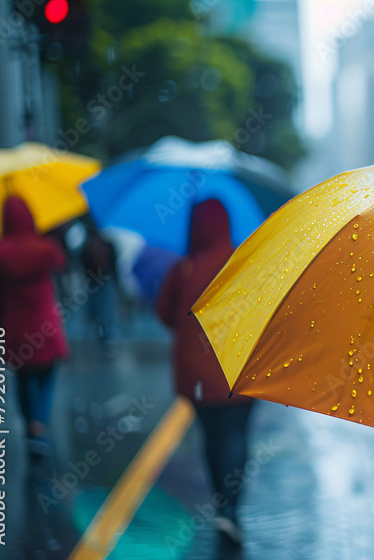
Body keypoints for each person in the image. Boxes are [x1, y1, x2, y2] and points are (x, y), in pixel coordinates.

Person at [156, 199, 252, 546]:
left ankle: (221, 505)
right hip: (238, 368)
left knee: (212, 438)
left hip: (196, 375)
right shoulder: (243, 262)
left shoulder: (182, 269)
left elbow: (166, 314)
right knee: (236, 437)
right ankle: (231, 509)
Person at [0, 197, 69, 458]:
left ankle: (29, 425)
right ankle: (38, 424)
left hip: (14, 325)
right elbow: (61, 264)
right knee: (46, 375)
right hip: (45, 324)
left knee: (22, 377)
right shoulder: (45, 248)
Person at [80, 224, 119, 343]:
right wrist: (116, 281)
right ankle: (105, 333)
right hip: (106, 279)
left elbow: (82, 262)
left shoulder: (87, 245)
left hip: (92, 281)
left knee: (95, 307)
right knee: (106, 309)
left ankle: (96, 331)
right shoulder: (108, 244)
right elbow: (113, 264)